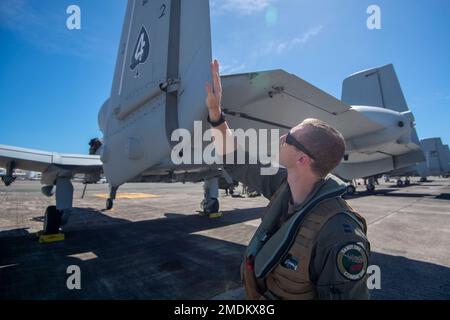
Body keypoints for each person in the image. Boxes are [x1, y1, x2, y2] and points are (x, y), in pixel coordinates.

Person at [204, 60, 371, 300]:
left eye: (290, 137)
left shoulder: (340, 234)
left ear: (302, 159)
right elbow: (234, 159)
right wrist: (215, 113)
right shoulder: (284, 186)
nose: (282, 137)